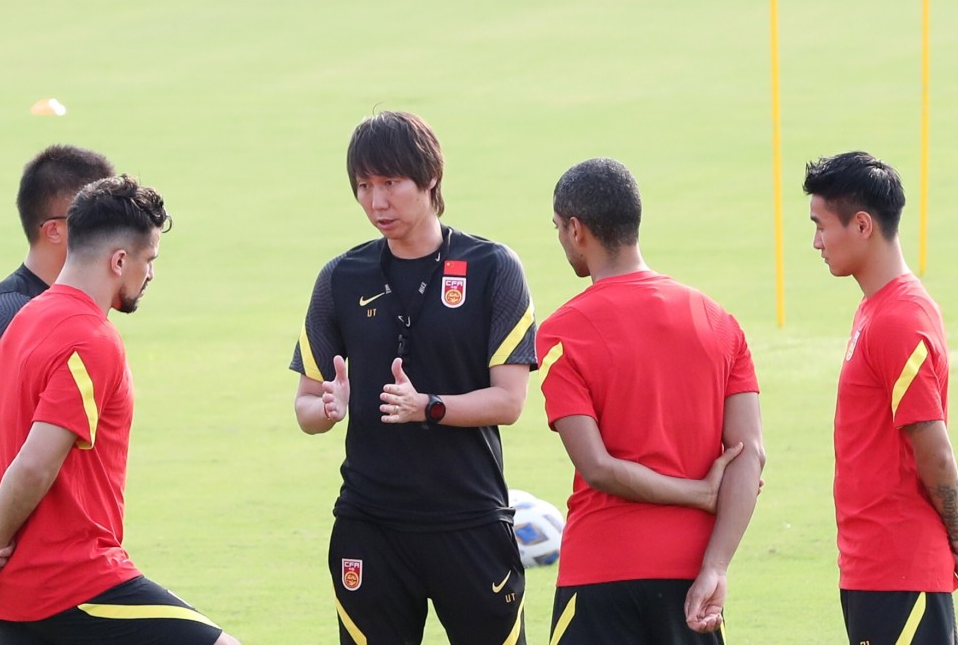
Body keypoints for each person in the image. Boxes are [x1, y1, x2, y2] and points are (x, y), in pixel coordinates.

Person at [0, 175, 240, 645]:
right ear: (119, 261)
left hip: (14, 599)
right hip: (74, 585)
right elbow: (35, 464)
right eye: (149, 260)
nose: (151, 275)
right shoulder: (91, 338)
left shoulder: (21, 319)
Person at [291, 111, 536, 644]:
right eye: (364, 186)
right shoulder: (340, 277)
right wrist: (328, 408)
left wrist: (428, 406)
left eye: (390, 183)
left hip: (469, 519)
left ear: (430, 178)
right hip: (370, 524)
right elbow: (305, 406)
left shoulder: (493, 267)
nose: (376, 202)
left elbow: (509, 401)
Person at [536, 157, 765, 644]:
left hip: (599, 574)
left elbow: (598, 467)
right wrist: (716, 567)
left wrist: (700, 492)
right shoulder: (720, 323)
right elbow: (750, 456)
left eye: (557, 228)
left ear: (576, 229)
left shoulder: (562, 332)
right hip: (690, 576)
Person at [0, 144, 115, 645]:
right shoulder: (12, 313)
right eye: (93, 215)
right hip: (22, 570)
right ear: (55, 229)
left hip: (59, 557)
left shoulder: (68, 304)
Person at [805, 151, 958, 644]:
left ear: (862, 225)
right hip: (874, 571)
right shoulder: (876, 310)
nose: (816, 242)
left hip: (901, 572)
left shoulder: (899, 320)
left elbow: (934, 451)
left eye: (821, 226)